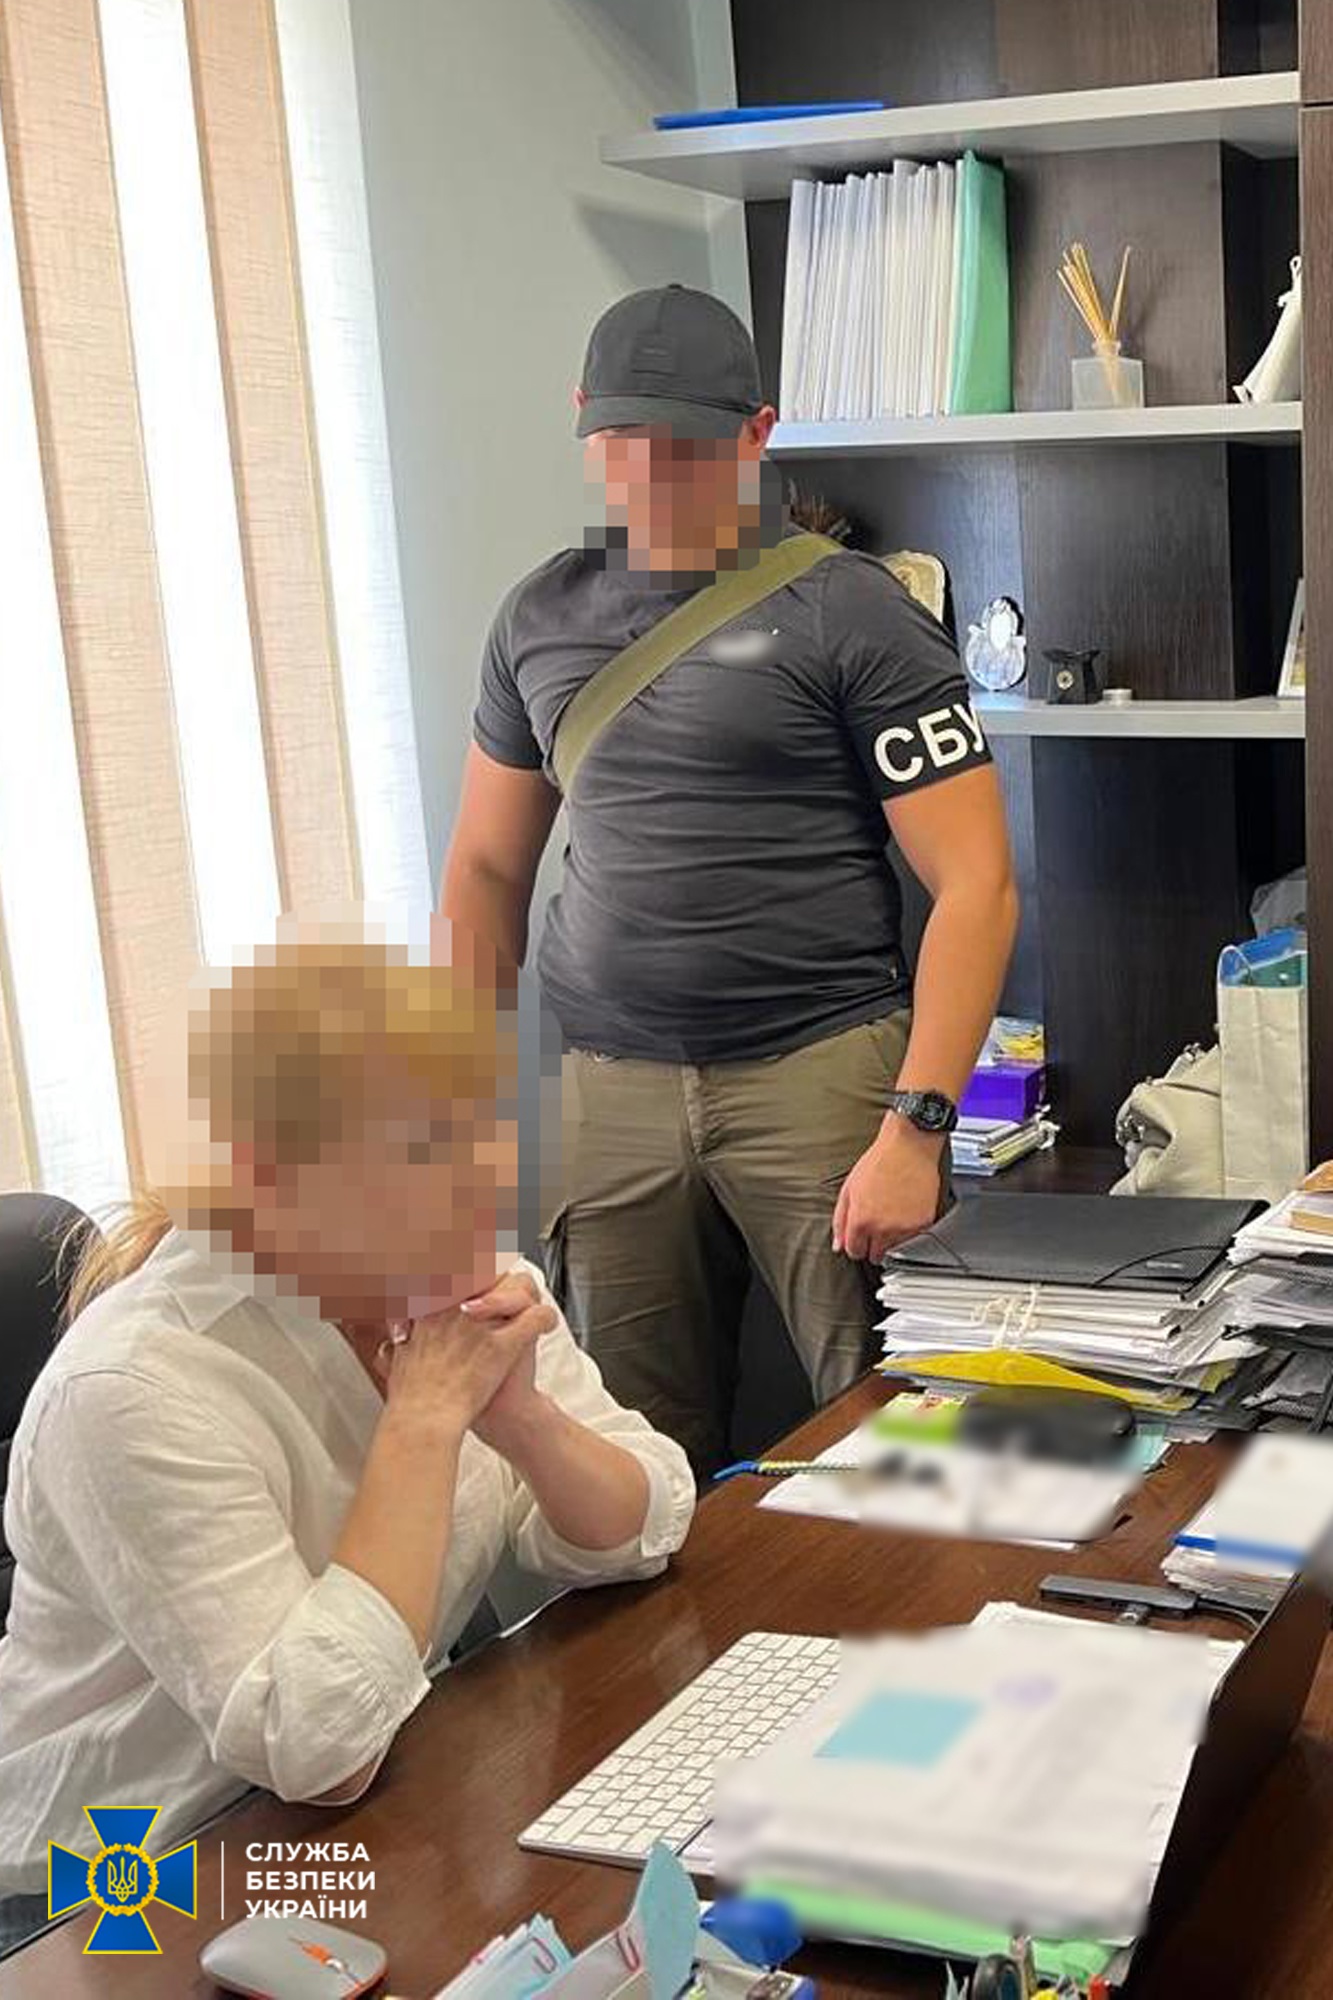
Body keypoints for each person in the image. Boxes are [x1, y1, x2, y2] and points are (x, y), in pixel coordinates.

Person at [0, 924, 693, 1946]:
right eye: (421, 1150)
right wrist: (425, 1420)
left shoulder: (452, 1273)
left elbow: (646, 1522)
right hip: (121, 1883)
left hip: (377, 1789)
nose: (480, 1183)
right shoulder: (130, 1389)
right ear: (264, 1183)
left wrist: (522, 1419)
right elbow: (318, 1748)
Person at [442, 284, 1019, 1479]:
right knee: (623, 1457)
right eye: (622, 441)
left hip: (819, 1072)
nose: (649, 475)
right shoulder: (538, 616)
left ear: (757, 434)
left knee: (900, 1435)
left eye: (685, 448)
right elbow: (487, 866)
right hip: (605, 1087)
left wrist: (917, 1128)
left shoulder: (853, 611)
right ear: (582, 418)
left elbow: (976, 883)